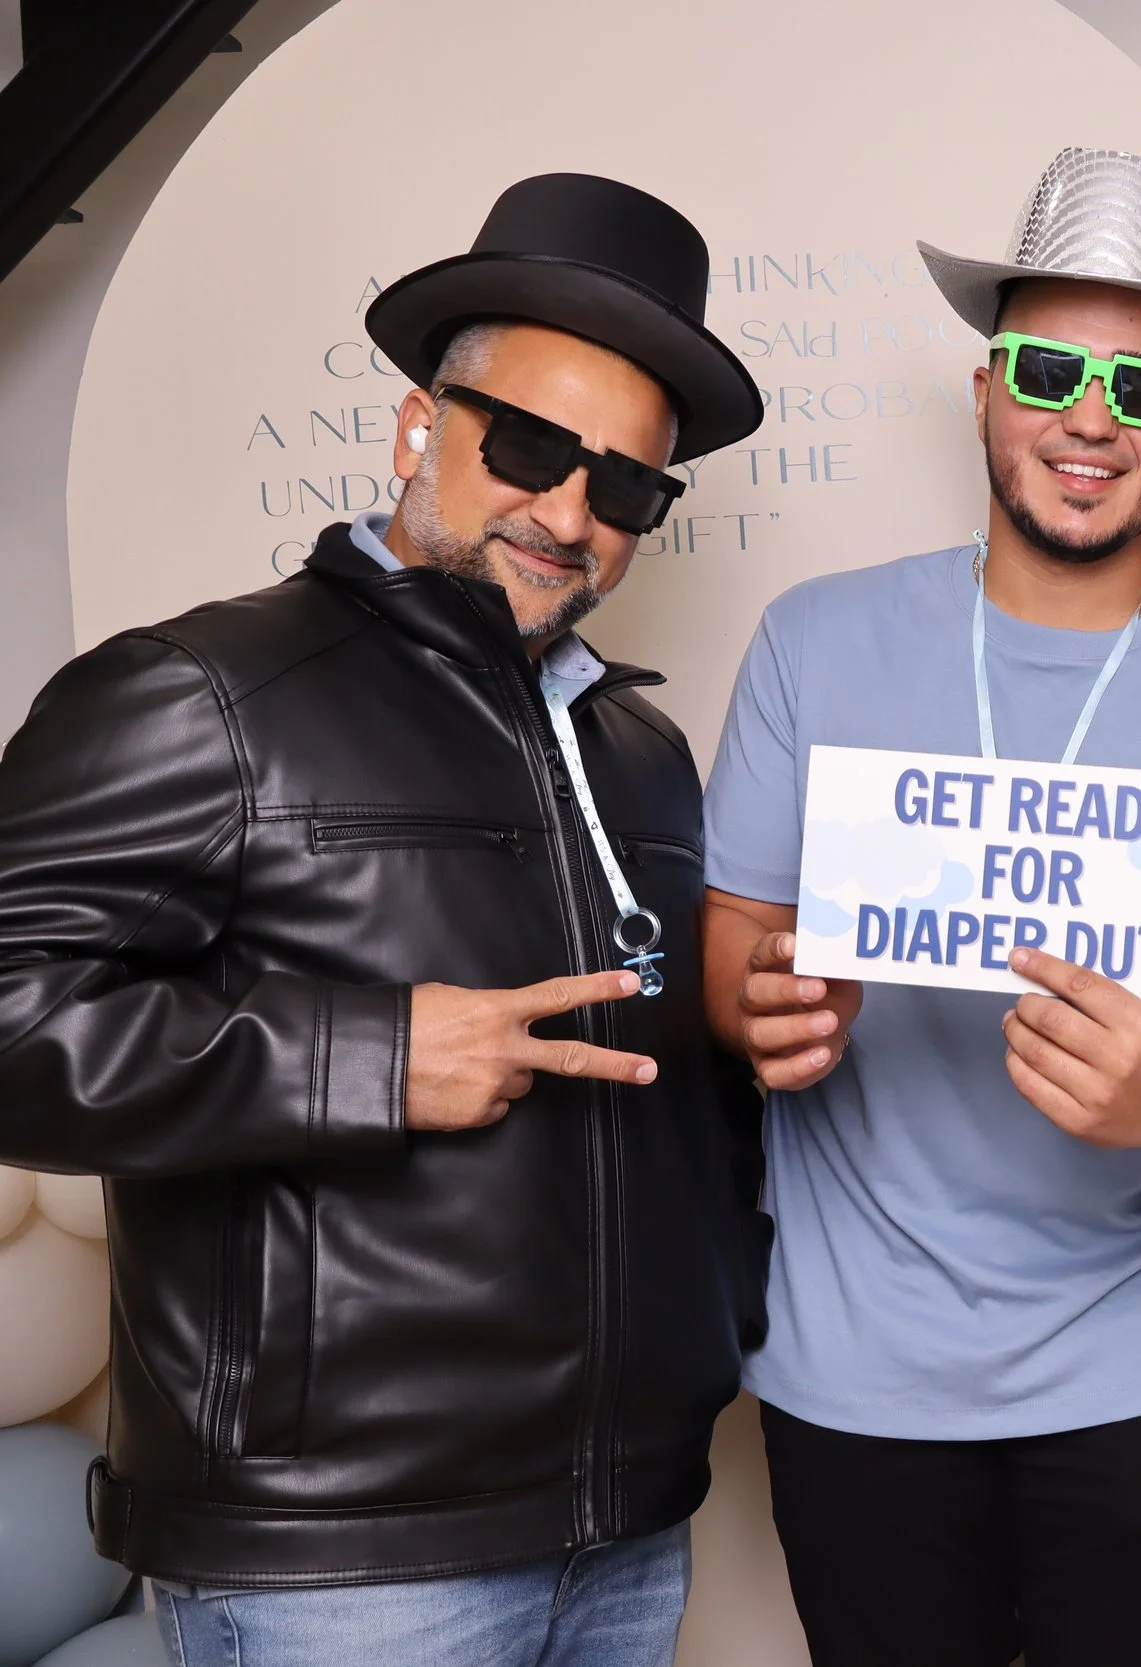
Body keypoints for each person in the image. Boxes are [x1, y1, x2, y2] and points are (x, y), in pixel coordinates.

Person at [0, 174, 770, 1664]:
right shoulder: (203, 694)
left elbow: (661, 1096)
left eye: (625, 487)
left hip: (628, 1530)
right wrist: (370, 1056)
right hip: (341, 1566)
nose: (570, 513)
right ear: (420, 426)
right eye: (530, 446)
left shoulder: (640, 752)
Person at [701, 146, 1141, 1667]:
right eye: (1052, 370)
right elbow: (731, 939)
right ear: (987, 388)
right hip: (852, 1368)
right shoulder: (813, 642)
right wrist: (762, 1006)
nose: (1090, 420)